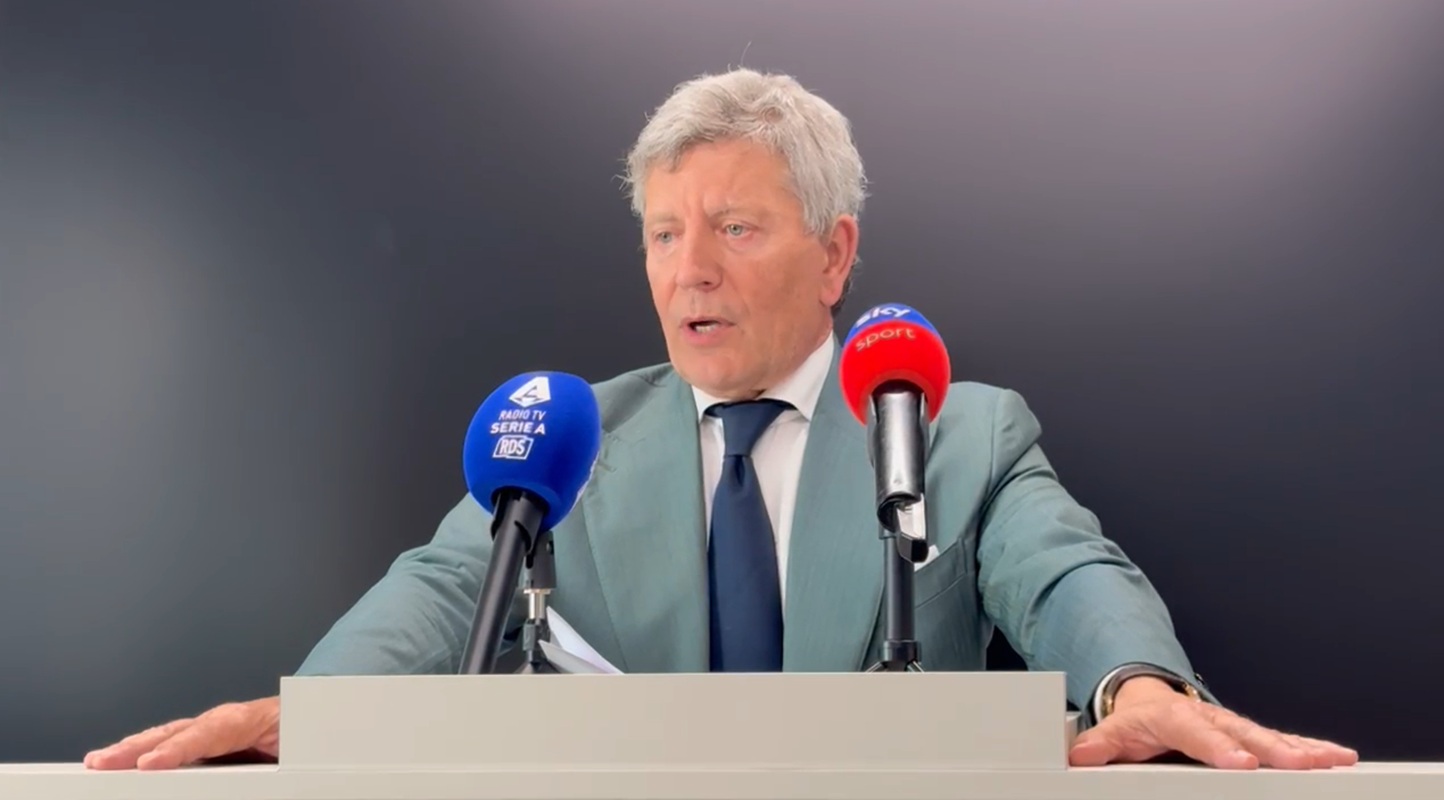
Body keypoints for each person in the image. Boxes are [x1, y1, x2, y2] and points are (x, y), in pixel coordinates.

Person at [85, 67, 1357, 773]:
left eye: (735, 228)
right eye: (661, 234)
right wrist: (318, 713)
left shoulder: (952, 429)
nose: (687, 270)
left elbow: (1066, 570)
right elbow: (438, 591)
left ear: (833, 252)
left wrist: (1133, 681)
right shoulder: (570, 443)